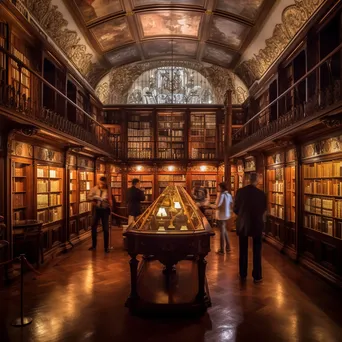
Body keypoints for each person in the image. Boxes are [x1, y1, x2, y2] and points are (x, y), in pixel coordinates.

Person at [233, 172, 267, 283]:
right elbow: (263, 209)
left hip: (243, 223)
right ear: (257, 180)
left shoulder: (240, 192)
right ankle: (257, 276)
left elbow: (235, 209)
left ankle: (243, 274)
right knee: (257, 251)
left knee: (243, 250)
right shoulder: (261, 194)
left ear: (248, 180)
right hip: (257, 223)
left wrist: (242, 215)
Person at [88, 176, 112, 253]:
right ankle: (94, 245)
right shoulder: (94, 188)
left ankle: (106, 247)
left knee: (106, 229)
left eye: (103, 183)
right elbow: (88, 197)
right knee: (93, 226)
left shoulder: (108, 189)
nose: (101, 185)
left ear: (105, 183)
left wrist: (109, 202)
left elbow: (110, 198)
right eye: (100, 183)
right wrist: (94, 198)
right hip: (96, 209)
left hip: (105, 210)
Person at [214, 182, 233, 255]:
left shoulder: (221, 195)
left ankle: (222, 250)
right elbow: (231, 204)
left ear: (221, 188)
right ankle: (228, 247)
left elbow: (218, 205)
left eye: (219, 187)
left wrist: (212, 206)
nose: (218, 188)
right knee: (224, 231)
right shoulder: (228, 195)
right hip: (226, 215)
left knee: (222, 232)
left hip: (221, 215)